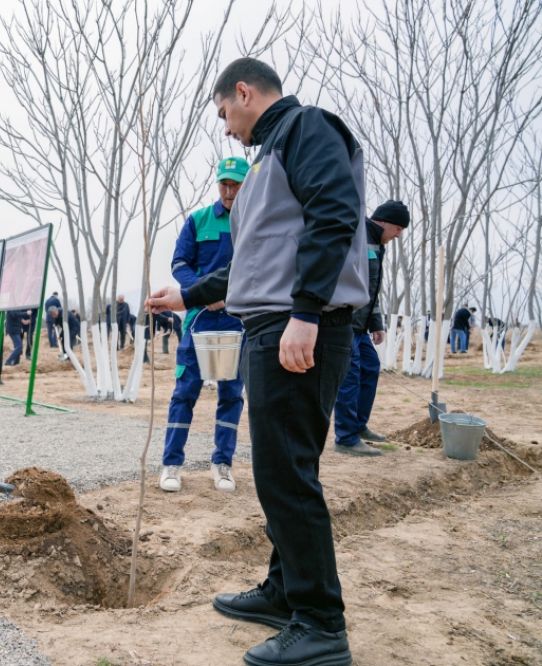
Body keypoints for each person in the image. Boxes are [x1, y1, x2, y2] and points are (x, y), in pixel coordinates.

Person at [147, 57, 369, 666]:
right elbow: (249, 264)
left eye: (224, 112)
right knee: (281, 468)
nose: (226, 127)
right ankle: (284, 591)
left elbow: (335, 213)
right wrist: (187, 295)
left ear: (243, 92)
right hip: (274, 328)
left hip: (299, 330)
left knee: (285, 474)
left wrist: (306, 311)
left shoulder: (305, 128)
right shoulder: (269, 158)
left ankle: (321, 624)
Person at [159, 156, 249, 495]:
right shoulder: (199, 220)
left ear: (246, 186)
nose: (229, 191)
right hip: (199, 319)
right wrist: (203, 292)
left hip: (237, 321)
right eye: (224, 184)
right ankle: (171, 464)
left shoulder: (254, 222)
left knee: (231, 393)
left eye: (235, 184)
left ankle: (222, 463)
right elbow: (179, 263)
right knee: (184, 392)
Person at [333, 200, 409, 457]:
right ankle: (345, 438)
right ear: (384, 222)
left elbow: (371, 289)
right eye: (398, 229)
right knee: (350, 376)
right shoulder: (357, 235)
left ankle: (358, 425)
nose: (398, 235)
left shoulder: (377, 243)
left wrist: (376, 324)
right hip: (344, 322)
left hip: (361, 326)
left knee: (370, 367)